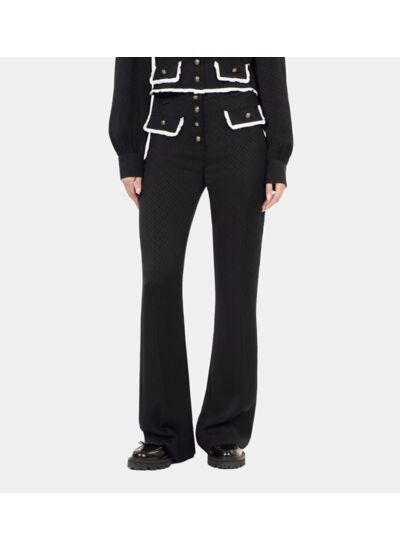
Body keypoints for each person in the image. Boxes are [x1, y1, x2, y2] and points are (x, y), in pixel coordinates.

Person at [109, 57, 293, 470]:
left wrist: (278, 156)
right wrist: (129, 153)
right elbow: (131, 58)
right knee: (158, 279)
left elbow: (270, 58)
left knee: (237, 285)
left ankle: (225, 430)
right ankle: (163, 433)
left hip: (242, 139)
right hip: (168, 139)